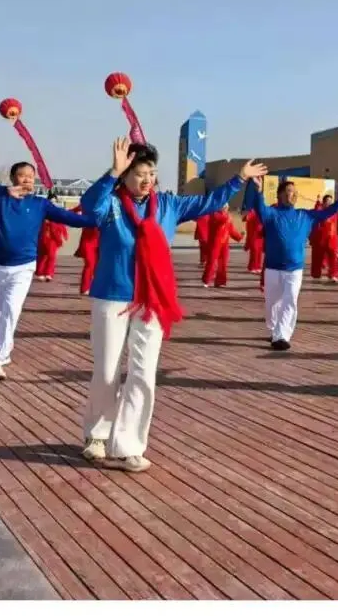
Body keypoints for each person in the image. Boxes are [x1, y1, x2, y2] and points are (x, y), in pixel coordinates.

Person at [79, 139, 266, 471]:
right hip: (112, 295)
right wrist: (112, 173)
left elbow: (209, 202)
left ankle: (129, 446)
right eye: (139, 173)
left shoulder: (168, 205)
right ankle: (97, 436)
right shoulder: (111, 205)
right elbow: (89, 206)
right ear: (126, 175)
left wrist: (239, 178)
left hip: (152, 299)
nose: (147, 179)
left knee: (143, 372)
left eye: (151, 173)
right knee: (107, 371)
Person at [0, 162, 94, 380]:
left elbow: (71, 218)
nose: (27, 179)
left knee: (11, 310)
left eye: (30, 176)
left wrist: (97, 220)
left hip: (23, 267)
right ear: (13, 178)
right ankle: (4, 349)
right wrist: (5, 191)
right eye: (22, 175)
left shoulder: (40, 204)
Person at [253, 179, 338, 350]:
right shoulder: (271, 214)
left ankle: (282, 336)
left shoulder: (305, 215)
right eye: (290, 191)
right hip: (273, 268)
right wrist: (258, 191)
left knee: (290, 301)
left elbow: (326, 213)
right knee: (272, 304)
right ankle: (274, 330)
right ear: (280, 195)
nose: (294, 194)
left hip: (294, 269)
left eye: (295, 191)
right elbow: (259, 208)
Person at [203, 204, 244, 287]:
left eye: (226, 207)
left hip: (224, 243)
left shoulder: (227, 217)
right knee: (212, 261)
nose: (226, 208)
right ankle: (207, 280)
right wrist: (228, 217)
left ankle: (220, 281)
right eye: (224, 207)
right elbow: (220, 220)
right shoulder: (214, 214)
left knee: (223, 263)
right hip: (215, 242)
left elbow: (231, 230)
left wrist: (240, 236)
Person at [35, 193, 70, 282]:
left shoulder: (57, 211)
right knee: (43, 256)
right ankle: (40, 272)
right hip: (44, 236)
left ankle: (49, 273)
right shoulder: (42, 210)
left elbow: (62, 221)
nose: (53, 203)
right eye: (51, 201)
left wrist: (63, 233)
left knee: (51, 256)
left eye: (54, 201)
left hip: (53, 237)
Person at [71, 203, 100, 295]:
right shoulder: (86, 203)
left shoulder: (107, 202)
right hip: (88, 240)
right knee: (89, 264)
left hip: (102, 240)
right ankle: (85, 288)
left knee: (98, 266)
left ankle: (96, 287)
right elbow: (70, 212)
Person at [242, 207, 265, 273]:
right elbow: (246, 218)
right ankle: (252, 267)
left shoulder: (262, 211)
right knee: (254, 251)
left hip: (260, 235)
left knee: (259, 252)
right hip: (254, 235)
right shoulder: (253, 211)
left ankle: (258, 266)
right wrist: (247, 215)